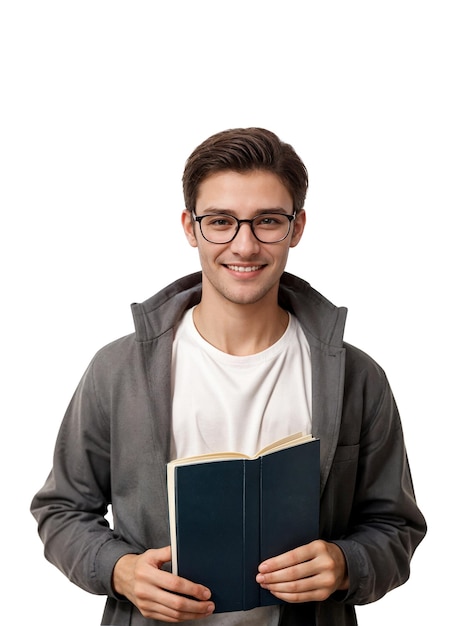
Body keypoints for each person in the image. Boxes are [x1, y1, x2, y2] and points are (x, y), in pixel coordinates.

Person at [31, 127, 426, 626]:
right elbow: (61, 509)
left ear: (297, 227)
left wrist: (347, 565)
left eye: (267, 221)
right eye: (220, 221)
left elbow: (396, 527)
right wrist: (120, 570)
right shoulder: (118, 369)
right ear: (190, 227)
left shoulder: (358, 377)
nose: (244, 245)